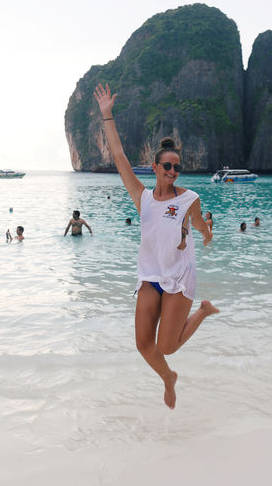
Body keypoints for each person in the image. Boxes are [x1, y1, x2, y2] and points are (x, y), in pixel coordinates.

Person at [94, 83, 218, 409]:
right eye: (168, 166)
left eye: (178, 167)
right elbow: (119, 157)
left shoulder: (190, 197)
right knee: (143, 346)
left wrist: (206, 233)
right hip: (150, 276)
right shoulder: (144, 198)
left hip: (178, 277)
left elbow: (198, 221)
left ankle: (202, 311)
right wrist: (107, 115)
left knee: (167, 346)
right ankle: (169, 379)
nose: (174, 171)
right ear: (155, 168)